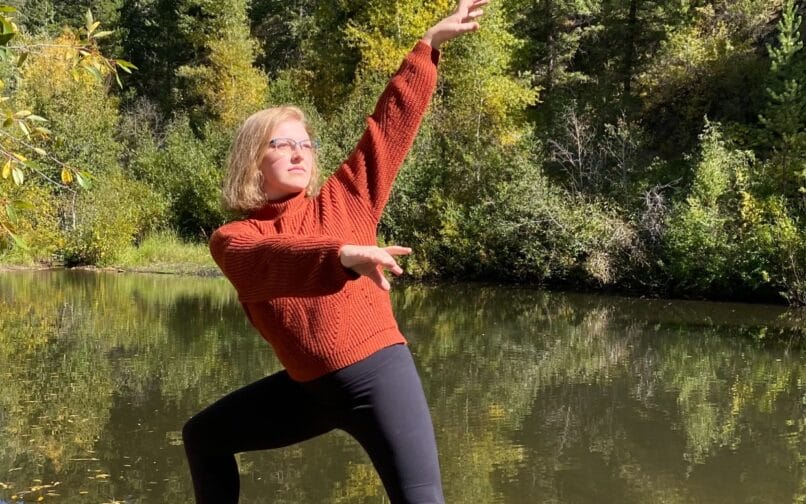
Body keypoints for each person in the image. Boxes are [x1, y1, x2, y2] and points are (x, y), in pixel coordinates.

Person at [182, 1, 488, 502]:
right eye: (281, 144)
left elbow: (387, 130)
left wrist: (427, 46)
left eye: (306, 143)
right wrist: (341, 255)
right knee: (204, 437)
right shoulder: (235, 238)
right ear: (251, 160)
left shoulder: (347, 199)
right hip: (310, 390)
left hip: (379, 375)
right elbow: (269, 263)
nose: (300, 151)